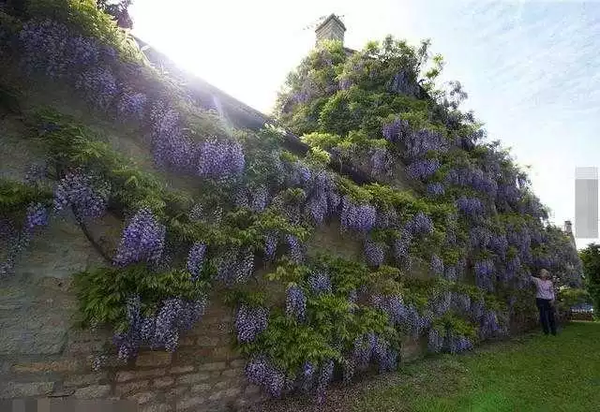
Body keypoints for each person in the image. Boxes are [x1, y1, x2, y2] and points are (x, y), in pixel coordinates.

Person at [530, 269, 557, 336]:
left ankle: (553, 332)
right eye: (541, 272)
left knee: (551, 316)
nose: (542, 273)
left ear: (546, 274)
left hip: (549, 300)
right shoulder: (537, 280)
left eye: (543, 272)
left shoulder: (549, 282)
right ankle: (546, 332)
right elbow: (528, 276)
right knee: (543, 316)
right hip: (540, 300)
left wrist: (553, 299)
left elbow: (552, 292)